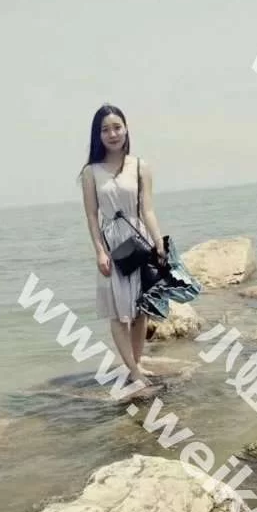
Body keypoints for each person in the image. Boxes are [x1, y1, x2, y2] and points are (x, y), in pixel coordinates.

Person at [80, 104, 166, 389]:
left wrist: (158, 242)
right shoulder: (91, 172)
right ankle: (133, 368)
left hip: (138, 239)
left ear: (126, 129)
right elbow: (92, 216)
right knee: (118, 312)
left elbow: (148, 209)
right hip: (112, 243)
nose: (112, 134)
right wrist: (99, 251)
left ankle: (135, 366)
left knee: (141, 309)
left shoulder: (141, 166)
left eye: (117, 127)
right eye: (105, 129)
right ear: (98, 135)